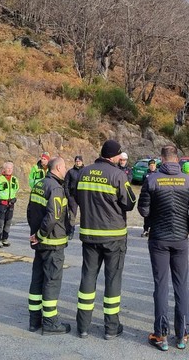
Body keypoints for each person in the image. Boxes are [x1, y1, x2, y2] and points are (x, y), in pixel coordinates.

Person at [139, 145, 189, 351]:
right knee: (181, 285)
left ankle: (161, 335)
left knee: (161, 286)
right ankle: (182, 335)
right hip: (180, 238)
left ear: (162, 159)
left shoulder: (151, 179)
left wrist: (152, 219)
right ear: (178, 159)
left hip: (158, 238)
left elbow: (144, 209)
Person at [74, 139, 136, 340]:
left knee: (88, 278)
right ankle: (111, 328)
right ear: (114, 156)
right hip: (113, 237)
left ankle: (82, 326)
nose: (121, 158)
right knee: (112, 280)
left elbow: (77, 196)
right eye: (119, 155)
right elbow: (129, 203)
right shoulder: (118, 175)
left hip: (89, 234)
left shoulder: (84, 172)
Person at [27, 157, 73, 334]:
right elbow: (54, 215)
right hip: (52, 242)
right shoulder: (55, 188)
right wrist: (40, 234)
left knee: (37, 280)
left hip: (40, 242)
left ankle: (34, 320)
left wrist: (34, 233)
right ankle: (50, 323)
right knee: (52, 281)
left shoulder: (39, 184)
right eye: (65, 167)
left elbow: (30, 210)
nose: (66, 170)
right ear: (59, 168)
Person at [0, 161, 20, 248]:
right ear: (4, 169)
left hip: (11, 204)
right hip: (2, 204)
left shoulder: (15, 179)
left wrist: (13, 197)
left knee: (8, 222)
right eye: (8, 168)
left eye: (11, 168)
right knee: (0, 222)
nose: (10, 170)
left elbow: (16, 188)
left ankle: (5, 239)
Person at [64, 155, 84, 225]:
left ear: (82, 162)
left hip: (82, 196)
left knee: (85, 215)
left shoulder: (85, 171)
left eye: (79, 161)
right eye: (76, 161)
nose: (78, 163)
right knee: (72, 216)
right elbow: (66, 184)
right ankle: (70, 232)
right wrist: (68, 196)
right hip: (72, 197)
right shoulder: (70, 172)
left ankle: (84, 232)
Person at [141, 158, 158, 237]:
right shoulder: (146, 174)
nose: (152, 167)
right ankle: (145, 229)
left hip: (155, 196)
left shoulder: (158, 174)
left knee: (154, 213)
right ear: (149, 166)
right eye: (151, 165)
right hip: (147, 196)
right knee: (146, 214)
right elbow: (143, 185)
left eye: (153, 165)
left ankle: (153, 229)